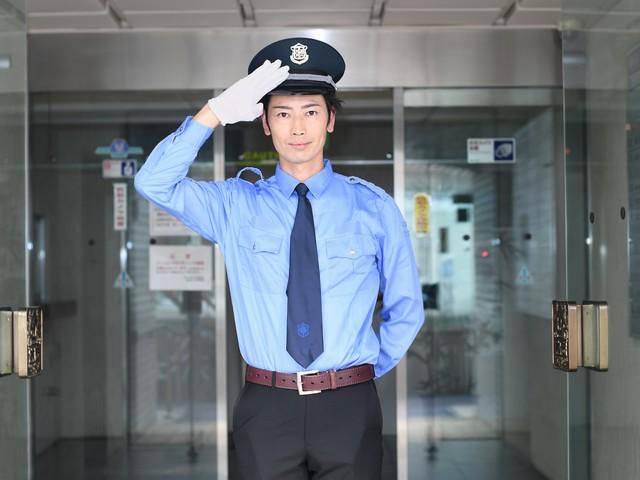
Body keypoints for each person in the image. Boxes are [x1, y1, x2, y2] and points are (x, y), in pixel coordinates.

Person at [135, 37, 424, 480]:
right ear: (265, 123)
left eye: (311, 111)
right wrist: (213, 113)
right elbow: (153, 183)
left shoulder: (373, 206)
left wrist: (359, 371)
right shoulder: (236, 205)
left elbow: (406, 306)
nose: (298, 128)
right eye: (283, 113)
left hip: (349, 404)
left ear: (330, 119)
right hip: (266, 405)